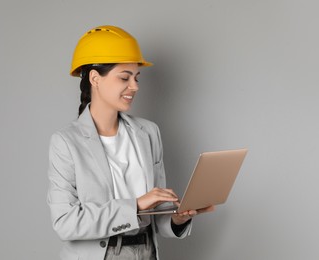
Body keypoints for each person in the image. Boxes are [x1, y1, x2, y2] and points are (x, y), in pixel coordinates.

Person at [47, 25, 215, 260]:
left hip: (147, 252)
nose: (134, 86)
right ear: (95, 78)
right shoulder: (66, 143)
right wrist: (135, 205)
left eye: (136, 78)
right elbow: (65, 223)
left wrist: (179, 217)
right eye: (124, 77)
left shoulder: (148, 133)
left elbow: (157, 216)